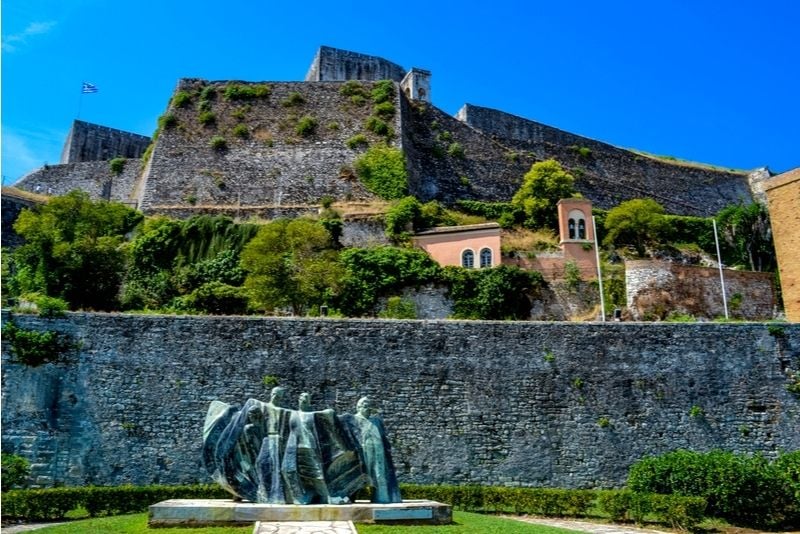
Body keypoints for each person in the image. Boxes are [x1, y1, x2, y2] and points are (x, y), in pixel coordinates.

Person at [348, 397, 402, 503]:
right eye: (364, 404)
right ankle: (350, 497)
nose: (367, 406)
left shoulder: (376, 421)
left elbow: (383, 438)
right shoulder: (353, 420)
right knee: (357, 476)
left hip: (378, 453)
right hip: (360, 453)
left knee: (379, 475)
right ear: (358, 407)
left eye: (368, 404)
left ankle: (380, 497)